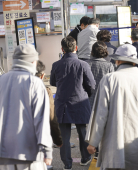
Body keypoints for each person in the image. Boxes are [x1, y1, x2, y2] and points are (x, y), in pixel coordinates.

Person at [85, 44, 138, 170]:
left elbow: (100, 114)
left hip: (113, 144)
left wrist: (93, 141)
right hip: (136, 143)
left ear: (117, 60)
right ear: (134, 62)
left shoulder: (109, 79)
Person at [0, 44, 53, 169]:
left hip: (4, 151)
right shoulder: (35, 83)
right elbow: (41, 119)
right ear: (33, 61)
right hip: (28, 151)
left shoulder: (2, 80)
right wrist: (47, 150)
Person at [50, 36, 96, 169]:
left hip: (62, 103)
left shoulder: (56, 65)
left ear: (62, 49)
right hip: (80, 102)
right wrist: (86, 94)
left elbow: (53, 82)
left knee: (64, 135)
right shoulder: (83, 64)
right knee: (82, 133)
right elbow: (91, 85)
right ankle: (85, 158)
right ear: (76, 48)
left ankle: (67, 164)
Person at [36, 60, 63, 147]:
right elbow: (51, 117)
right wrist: (58, 140)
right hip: (37, 138)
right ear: (42, 76)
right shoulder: (45, 91)